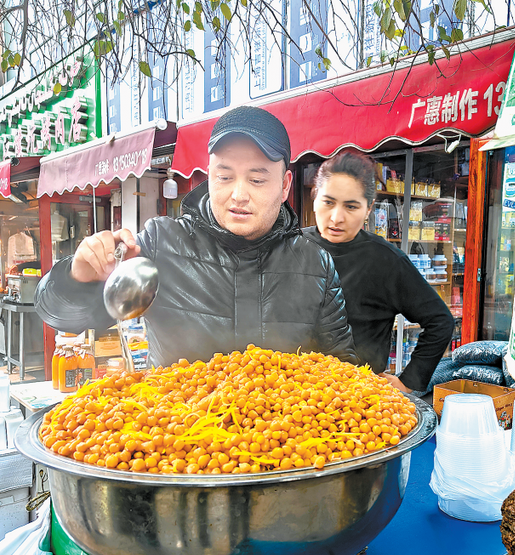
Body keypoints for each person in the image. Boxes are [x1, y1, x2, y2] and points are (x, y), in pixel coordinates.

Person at [36, 106, 356, 366]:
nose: (239, 195)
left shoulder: (316, 264)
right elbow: (65, 316)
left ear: (285, 185)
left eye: (257, 180)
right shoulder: (162, 244)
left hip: (284, 442)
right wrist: (77, 278)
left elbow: (342, 369)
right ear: (209, 176)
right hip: (176, 436)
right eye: (225, 177)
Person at [304, 151, 454, 394]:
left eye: (351, 206)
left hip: (358, 400)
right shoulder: (290, 247)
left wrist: (408, 382)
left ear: (368, 209)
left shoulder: (386, 261)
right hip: (288, 395)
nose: (336, 217)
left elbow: (440, 321)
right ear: (314, 198)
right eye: (328, 202)